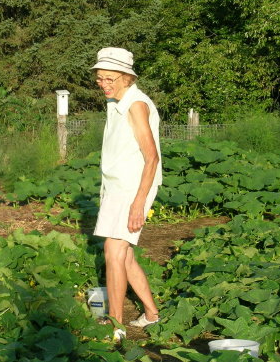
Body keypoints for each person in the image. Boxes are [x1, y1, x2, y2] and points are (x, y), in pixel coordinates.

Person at [90, 47, 163, 341]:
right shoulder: (116, 101)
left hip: (133, 188)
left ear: (126, 77)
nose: (103, 83)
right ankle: (152, 314)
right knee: (126, 255)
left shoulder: (136, 105)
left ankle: (115, 324)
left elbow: (152, 158)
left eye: (110, 78)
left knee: (113, 251)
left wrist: (138, 204)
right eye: (99, 78)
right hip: (117, 187)